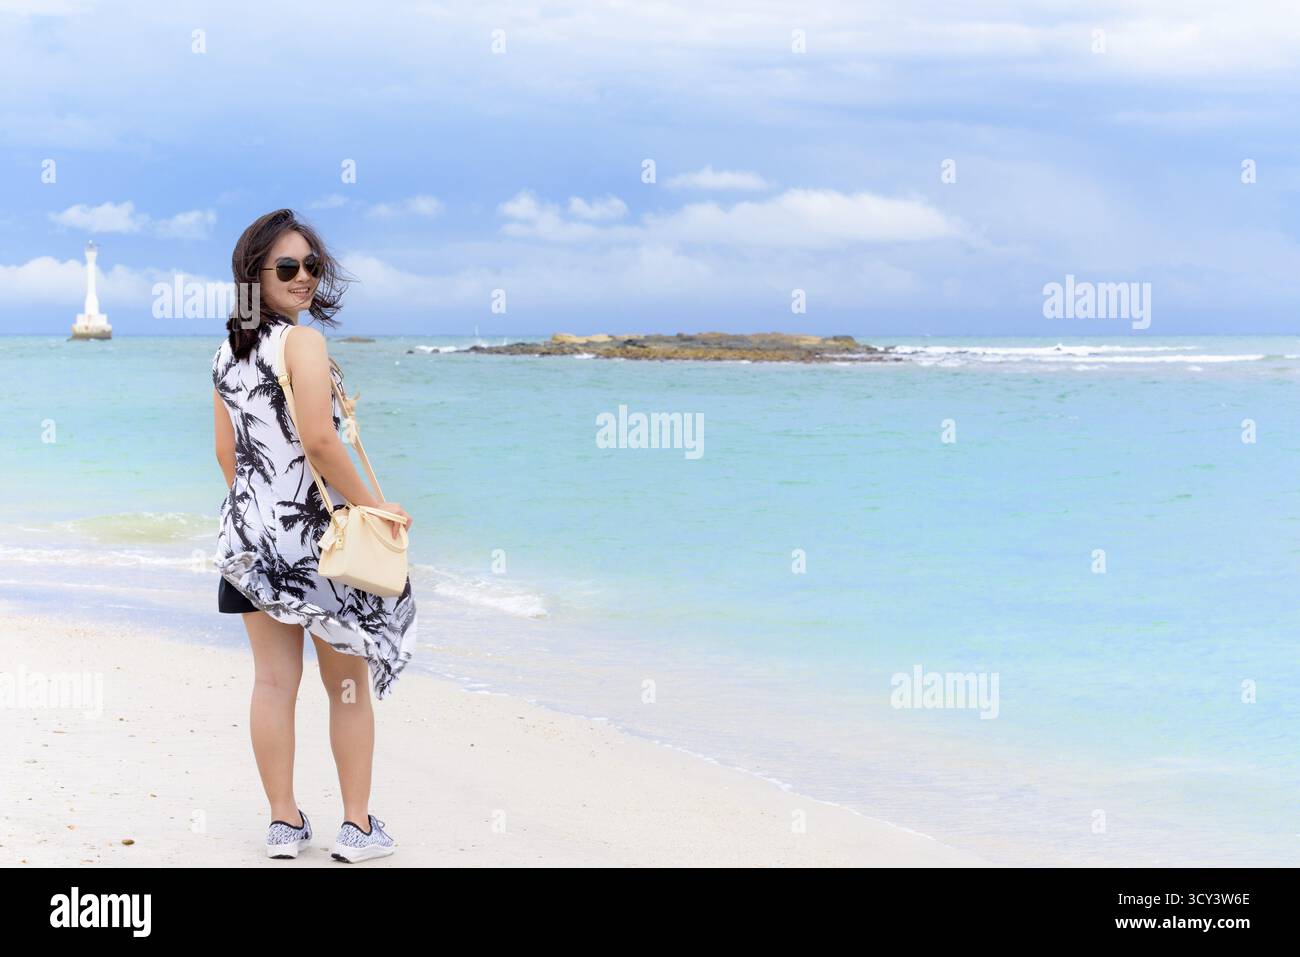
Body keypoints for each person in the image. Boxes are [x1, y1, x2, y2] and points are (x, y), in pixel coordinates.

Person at [211, 209, 416, 862]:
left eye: (312, 265)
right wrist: (376, 508)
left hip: (248, 536)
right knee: (347, 684)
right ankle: (356, 826)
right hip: (316, 543)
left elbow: (228, 456)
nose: (304, 278)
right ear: (255, 276)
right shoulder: (302, 344)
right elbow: (321, 441)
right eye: (288, 268)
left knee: (272, 682)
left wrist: (260, 512)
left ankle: (283, 822)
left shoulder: (226, 351)